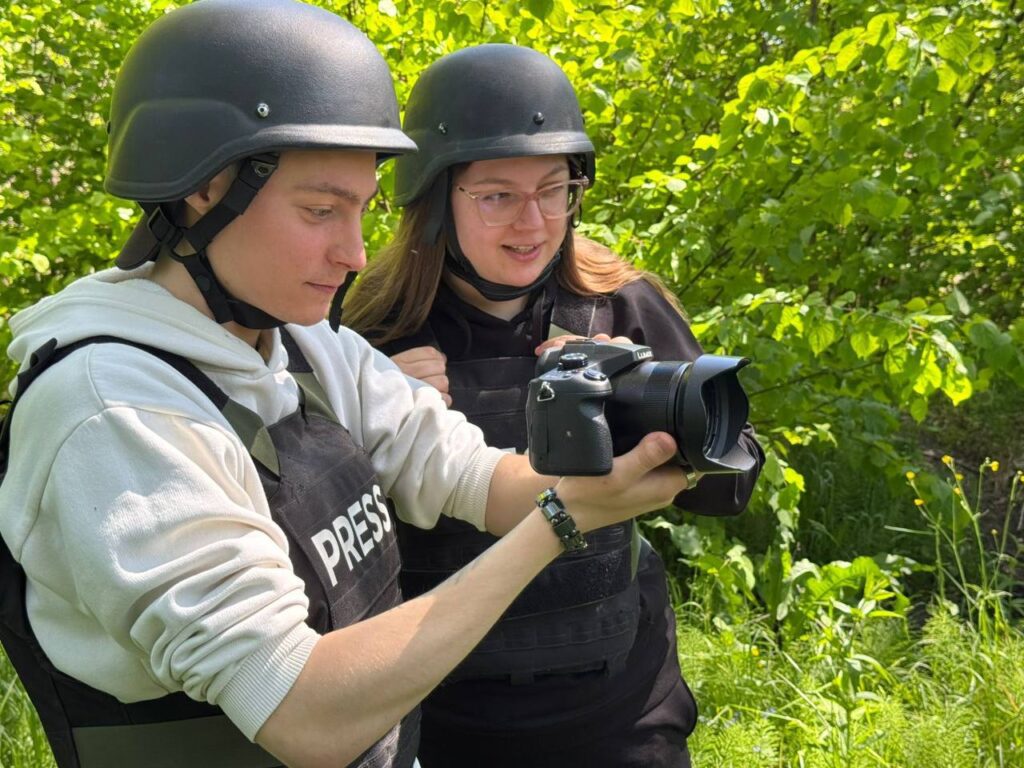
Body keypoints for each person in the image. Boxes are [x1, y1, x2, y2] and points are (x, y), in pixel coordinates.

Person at [0, 6, 690, 768]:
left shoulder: (303, 344)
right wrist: (562, 521)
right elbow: (301, 713)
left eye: (360, 211)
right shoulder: (112, 411)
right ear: (205, 190)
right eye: (320, 210)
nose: (357, 254)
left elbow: (476, 477)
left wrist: (629, 431)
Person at [345, 44, 765, 768]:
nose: (535, 222)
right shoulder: (367, 337)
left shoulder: (619, 305)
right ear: (436, 201)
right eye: (498, 194)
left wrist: (644, 407)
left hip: (618, 708)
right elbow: (313, 534)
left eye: (555, 188)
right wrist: (366, 417)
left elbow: (737, 483)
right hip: (440, 714)